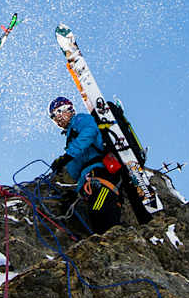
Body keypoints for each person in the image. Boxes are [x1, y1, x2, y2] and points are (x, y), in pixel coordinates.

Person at [48, 95, 138, 235]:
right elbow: (76, 166)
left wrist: (67, 156)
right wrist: (62, 168)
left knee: (99, 210)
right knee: (93, 216)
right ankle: (110, 237)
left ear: (68, 109)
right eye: (53, 118)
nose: (57, 119)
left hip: (99, 172)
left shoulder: (79, 120)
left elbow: (89, 132)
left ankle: (115, 236)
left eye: (58, 113)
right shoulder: (70, 134)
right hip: (87, 179)